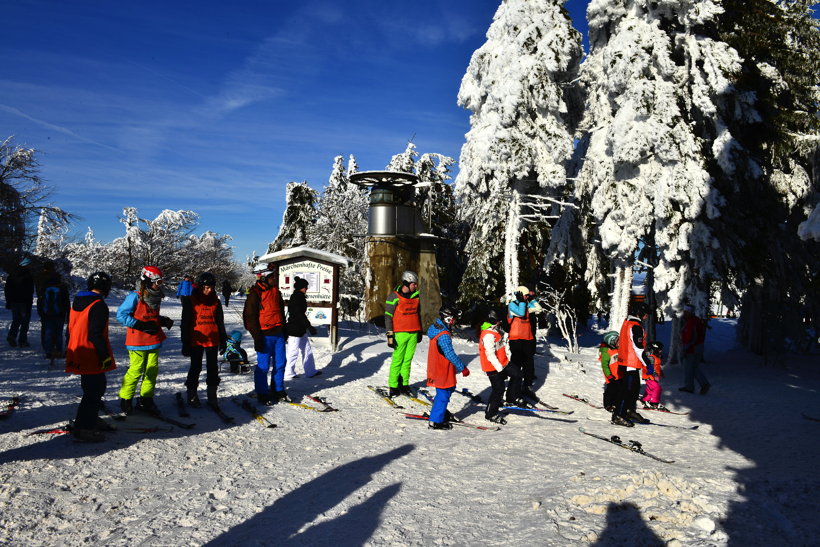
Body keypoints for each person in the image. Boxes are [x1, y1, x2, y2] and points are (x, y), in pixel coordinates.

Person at [65, 272, 116, 443]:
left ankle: (90, 419)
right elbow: (96, 334)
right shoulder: (98, 305)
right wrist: (105, 356)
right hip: (91, 351)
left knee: (92, 387)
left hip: (77, 349)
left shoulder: (77, 301)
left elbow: (70, 328)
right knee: (95, 390)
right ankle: (84, 427)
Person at [117, 266, 174, 416]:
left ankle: (146, 399)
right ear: (148, 280)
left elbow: (151, 317)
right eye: (157, 282)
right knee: (136, 370)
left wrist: (162, 321)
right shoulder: (134, 296)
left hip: (153, 338)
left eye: (161, 282)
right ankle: (126, 399)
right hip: (137, 340)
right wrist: (141, 325)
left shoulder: (155, 295)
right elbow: (121, 315)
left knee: (152, 371)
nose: (159, 285)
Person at [243, 264, 289, 404]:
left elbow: (281, 312)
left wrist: (284, 329)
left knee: (280, 363)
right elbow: (249, 318)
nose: (275, 279)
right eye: (272, 277)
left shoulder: (276, 291)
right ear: (263, 277)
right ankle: (262, 392)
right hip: (264, 335)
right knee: (263, 366)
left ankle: (277, 389)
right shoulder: (255, 294)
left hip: (278, 334)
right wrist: (257, 338)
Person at [181, 272, 228, 409]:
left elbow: (220, 322)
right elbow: (185, 323)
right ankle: (192, 394)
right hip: (196, 340)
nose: (209, 290)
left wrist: (223, 340)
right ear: (201, 286)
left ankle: (212, 395)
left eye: (212, 287)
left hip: (212, 339)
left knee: (212, 368)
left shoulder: (216, 301)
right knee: (195, 367)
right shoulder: (191, 300)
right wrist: (185, 342)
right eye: (207, 287)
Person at [426, 304, 469, 430]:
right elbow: (449, 354)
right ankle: (435, 421)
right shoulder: (443, 334)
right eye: (454, 318)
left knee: (448, 389)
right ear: (448, 318)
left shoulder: (437, 327)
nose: (455, 321)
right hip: (441, 368)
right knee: (443, 394)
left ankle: (440, 411)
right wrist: (462, 368)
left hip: (439, 367)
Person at [612, 302, 651, 427]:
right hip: (630, 363)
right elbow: (638, 348)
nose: (646, 317)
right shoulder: (635, 326)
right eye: (645, 315)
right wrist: (648, 364)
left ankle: (629, 411)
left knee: (634, 389)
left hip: (627, 362)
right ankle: (618, 415)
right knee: (627, 390)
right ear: (639, 314)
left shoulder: (627, 322)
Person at [384, 270, 422, 397]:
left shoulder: (416, 296)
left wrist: (420, 331)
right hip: (399, 333)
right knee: (397, 360)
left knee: (408, 361)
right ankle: (393, 386)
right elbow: (388, 317)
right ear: (406, 283)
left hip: (413, 333)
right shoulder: (393, 297)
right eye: (413, 284)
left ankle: (404, 384)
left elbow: (418, 314)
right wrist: (390, 336)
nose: (415, 286)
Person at [479, 309, 520, 425]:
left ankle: (511, 398)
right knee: (499, 389)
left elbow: (504, 342)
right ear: (492, 320)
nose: (500, 323)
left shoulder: (497, 329)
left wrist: (508, 357)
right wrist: (500, 370)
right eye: (498, 321)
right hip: (492, 366)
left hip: (503, 361)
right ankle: (490, 413)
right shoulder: (487, 335)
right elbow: (490, 355)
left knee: (517, 374)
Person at [507, 285, 543, 402]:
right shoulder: (512, 305)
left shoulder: (526, 303)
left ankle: (527, 387)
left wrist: (531, 299)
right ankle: (513, 391)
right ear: (521, 295)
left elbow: (538, 308)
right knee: (516, 365)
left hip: (527, 338)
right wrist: (523, 301)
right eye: (526, 295)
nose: (527, 297)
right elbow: (521, 313)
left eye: (528, 296)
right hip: (516, 339)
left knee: (529, 364)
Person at [285, 276, 320, 380]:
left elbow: (300, 314)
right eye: (305, 287)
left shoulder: (298, 296)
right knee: (293, 351)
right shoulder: (297, 297)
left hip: (300, 329)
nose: (306, 289)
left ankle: (310, 371)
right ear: (301, 288)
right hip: (294, 329)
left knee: (307, 349)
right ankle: (288, 373)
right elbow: (299, 314)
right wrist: (309, 326)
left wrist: (306, 326)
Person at [36, 262, 70, 361]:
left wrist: (41, 312)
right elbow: (66, 301)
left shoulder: (45, 287)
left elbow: (41, 301)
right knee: (59, 332)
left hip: (47, 313)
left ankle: (48, 350)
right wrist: (68, 313)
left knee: (48, 331)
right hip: (60, 313)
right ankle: (59, 350)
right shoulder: (62, 287)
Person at [679, 305, 710, 394]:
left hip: (692, 348)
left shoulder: (691, 322)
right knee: (693, 367)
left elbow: (690, 336)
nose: (684, 313)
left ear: (690, 312)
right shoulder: (693, 320)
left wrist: (686, 347)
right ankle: (693, 386)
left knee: (689, 368)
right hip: (696, 347)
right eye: (684, 311)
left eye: (686, 312)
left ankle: (696, 385)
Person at [4, 257, 34, 347]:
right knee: (25, 321)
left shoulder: (12, 275)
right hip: (25, 302)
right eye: (30, 265)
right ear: (27, 265)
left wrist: (8, 301)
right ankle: (22, 341)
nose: (31, 266)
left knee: (16, 320)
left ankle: (12, 335)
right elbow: (29, 290)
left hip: (14, 302)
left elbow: (7, 289)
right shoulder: (27, 275)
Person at [599, 331, 620, 411]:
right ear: (612, 341)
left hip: (619, 375)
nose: (619, 342)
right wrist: (609, 375)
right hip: (611, 375)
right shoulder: (606, 352)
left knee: (618, 390)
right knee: (611, 390)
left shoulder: (617, 349)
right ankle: (608, 404)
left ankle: (616, 403)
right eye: (617, 341)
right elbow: (604, 366)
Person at [641, 341, 664, 409]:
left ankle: (645, 399)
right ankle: (654, 402)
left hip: (652, 376)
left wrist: (661, 372)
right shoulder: (651, 357)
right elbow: (650, 367)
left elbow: (656, 367)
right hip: (649, 376)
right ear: (655, 350)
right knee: (657, 388)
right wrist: (654, 375)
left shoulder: (655, 357)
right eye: (660, 350)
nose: (661, 351)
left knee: (650, 390)